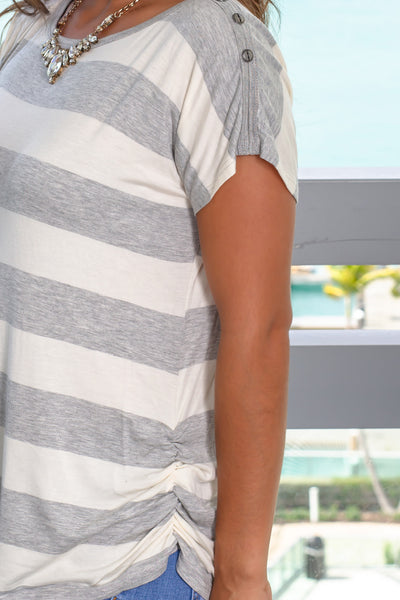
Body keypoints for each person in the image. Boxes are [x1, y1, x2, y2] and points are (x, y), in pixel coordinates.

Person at [0, 0, 299, 598]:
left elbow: (260, 326)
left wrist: (242, 578)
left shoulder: (218, 43)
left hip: (123, 560)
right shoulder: (39, 24)